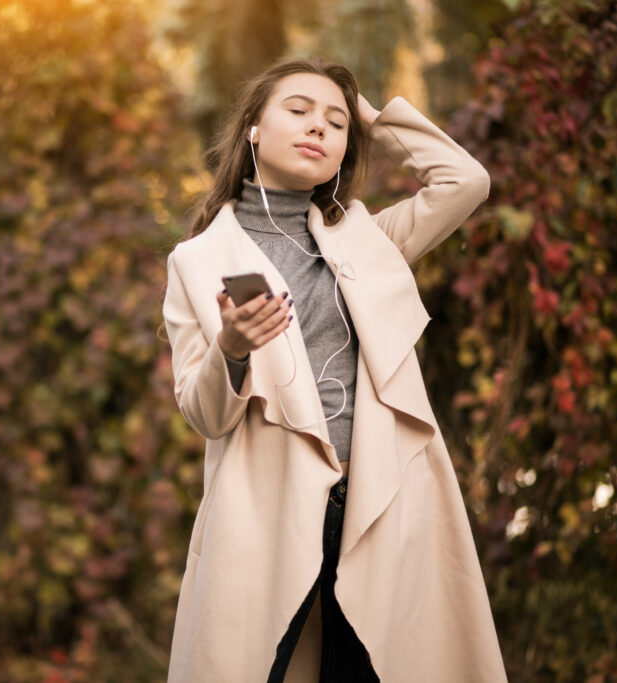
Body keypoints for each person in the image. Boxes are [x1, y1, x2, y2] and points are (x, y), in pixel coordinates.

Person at [161, 57, 507, 682]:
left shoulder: (369, 239)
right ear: (253, 128)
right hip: (265, 516)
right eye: (298, 110)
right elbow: (204, 414)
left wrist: (373, 119)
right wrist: (232, 348)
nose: (318, 126)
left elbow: (466, 181)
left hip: (378, 506)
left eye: (335, 123)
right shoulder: (198, 260)